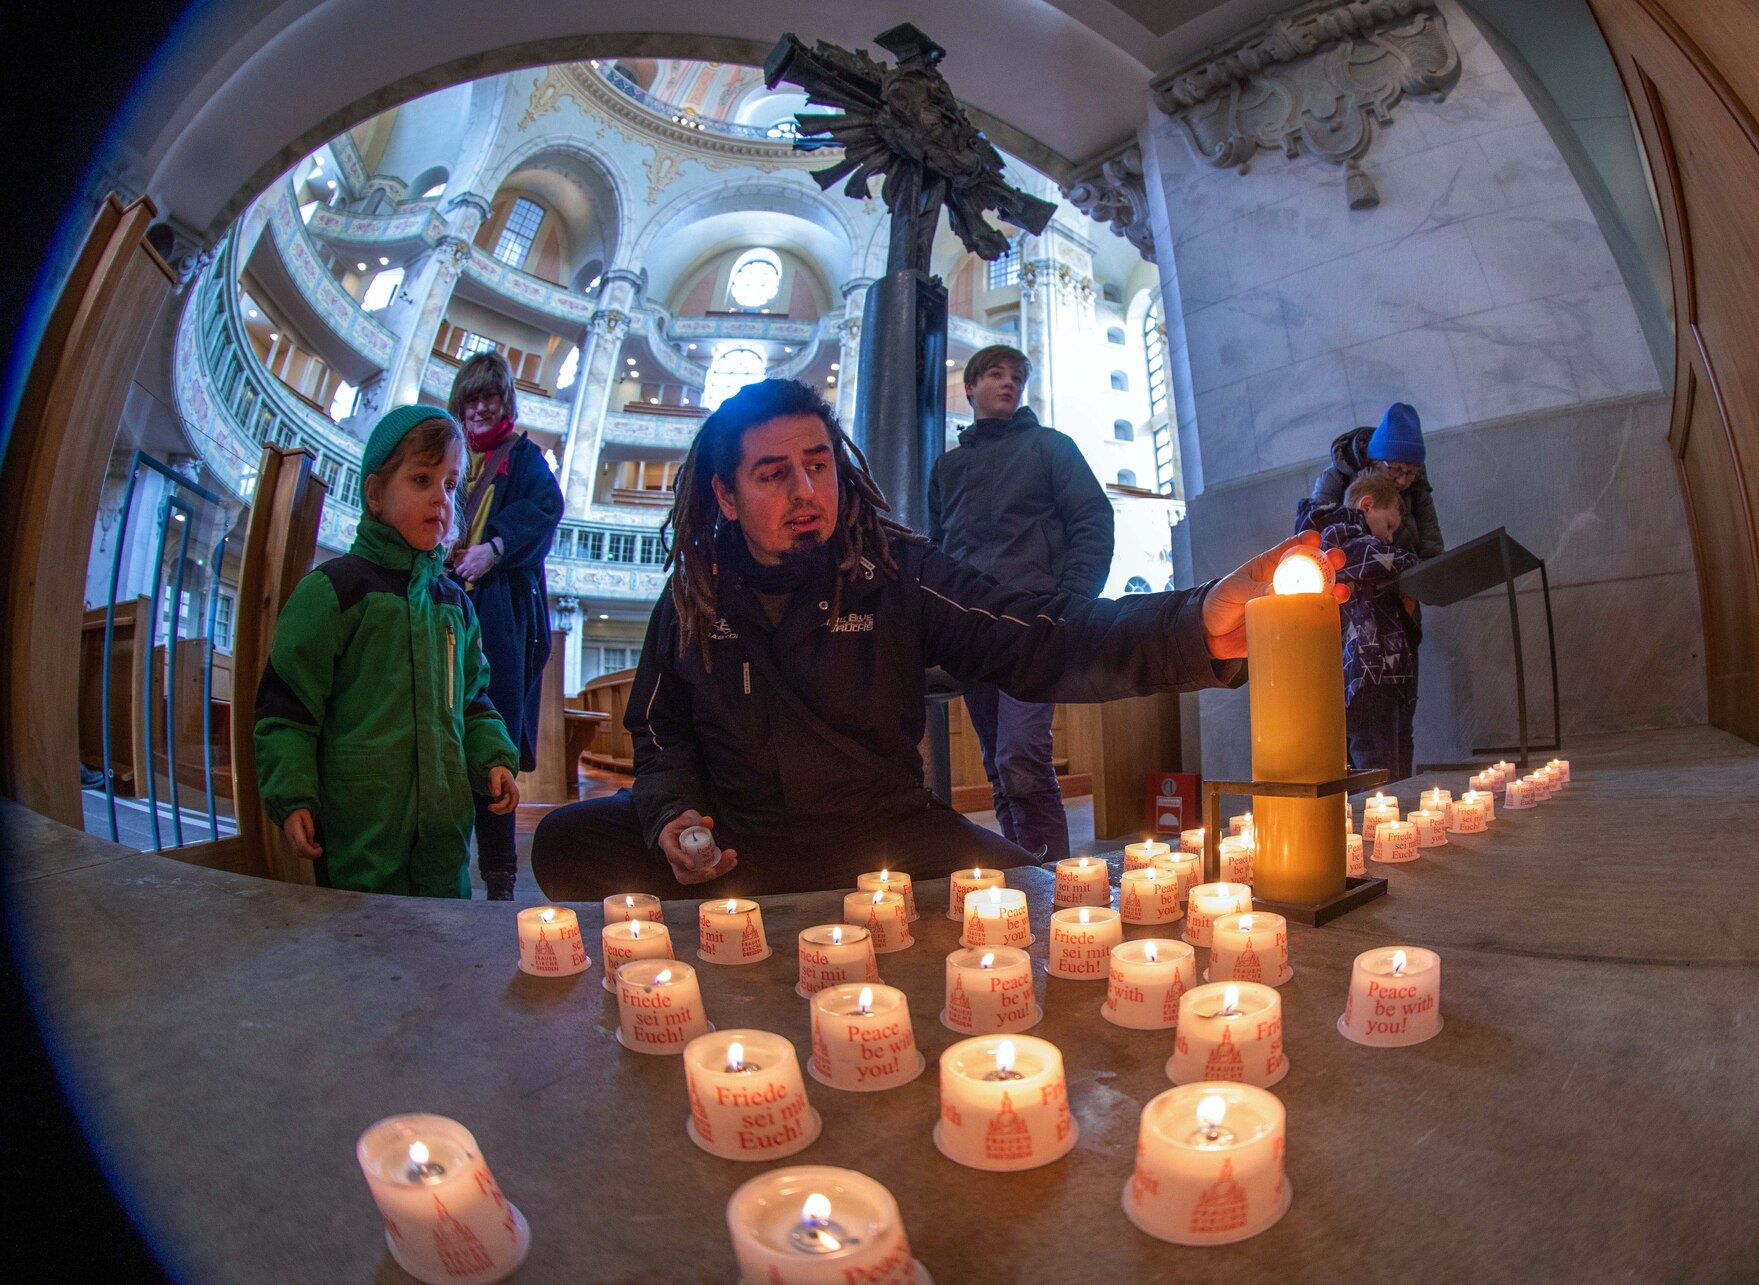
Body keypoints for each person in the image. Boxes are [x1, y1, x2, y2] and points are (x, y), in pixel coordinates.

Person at [529, 378, 1342, 900]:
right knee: (566, 843)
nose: (807, 490)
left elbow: (1041, 639)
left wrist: (1194, 624)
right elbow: (658, 732)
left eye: (818, 464)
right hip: (741, 845)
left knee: (1047, 896)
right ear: (727, 496)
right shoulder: (692, 596)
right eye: (774, 474)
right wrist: (675, 816)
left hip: (882, 835)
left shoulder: (896, 569)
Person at [255, 405, 521, 897]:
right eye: (421, 478)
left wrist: (493, 760)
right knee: (359, 953)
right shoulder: (334, 591)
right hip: (361, 836)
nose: (440, 500)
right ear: (376, 494)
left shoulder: (455, 606)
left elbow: (474, 704)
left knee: (443, 952)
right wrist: (292, 795)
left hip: (444, 841)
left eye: (449, 484)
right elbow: (287, 708)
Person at [926, 344, 1113, 862]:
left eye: (1016, 377)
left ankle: (1058, 884)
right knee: (999, 767)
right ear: (970, 387)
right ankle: (1021, 881)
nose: (1008, 384)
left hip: (1035, 625)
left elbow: (1093, 523)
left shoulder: (1050, 447)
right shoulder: (948, 467)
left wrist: (1068, 604)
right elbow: (938, 550)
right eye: (995, 375)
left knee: (1022, 758)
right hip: (971, 631)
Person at [445, 352, 563, 900]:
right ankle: (439, 860)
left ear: (505, 402)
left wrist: (492, 548)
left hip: (499, 618)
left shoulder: (524, 457)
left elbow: (546, 507)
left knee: (492, 741)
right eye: (471, 398)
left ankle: (498, 872)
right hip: (444, 610)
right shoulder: (450, 456)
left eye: (489, 397)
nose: (480, 407)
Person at [1315, 472, 1422, 782]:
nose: (1389, 537)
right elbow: (1387, 559)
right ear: (1366, 505)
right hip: (1367, 675)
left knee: (1385, 767)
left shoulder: (1361, 541)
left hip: (1381, 674)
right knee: (1376, 772)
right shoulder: (1345, 539)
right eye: (1388, 525)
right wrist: (1416, 565)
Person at [1309, 402, 1444, 559]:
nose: (1402, 481)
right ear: (1374, 459)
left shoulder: (1417, 485)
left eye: (1410, 472)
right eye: (1394, 469)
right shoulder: (1334, 479)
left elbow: (1433, 547)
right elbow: (1314, 538)